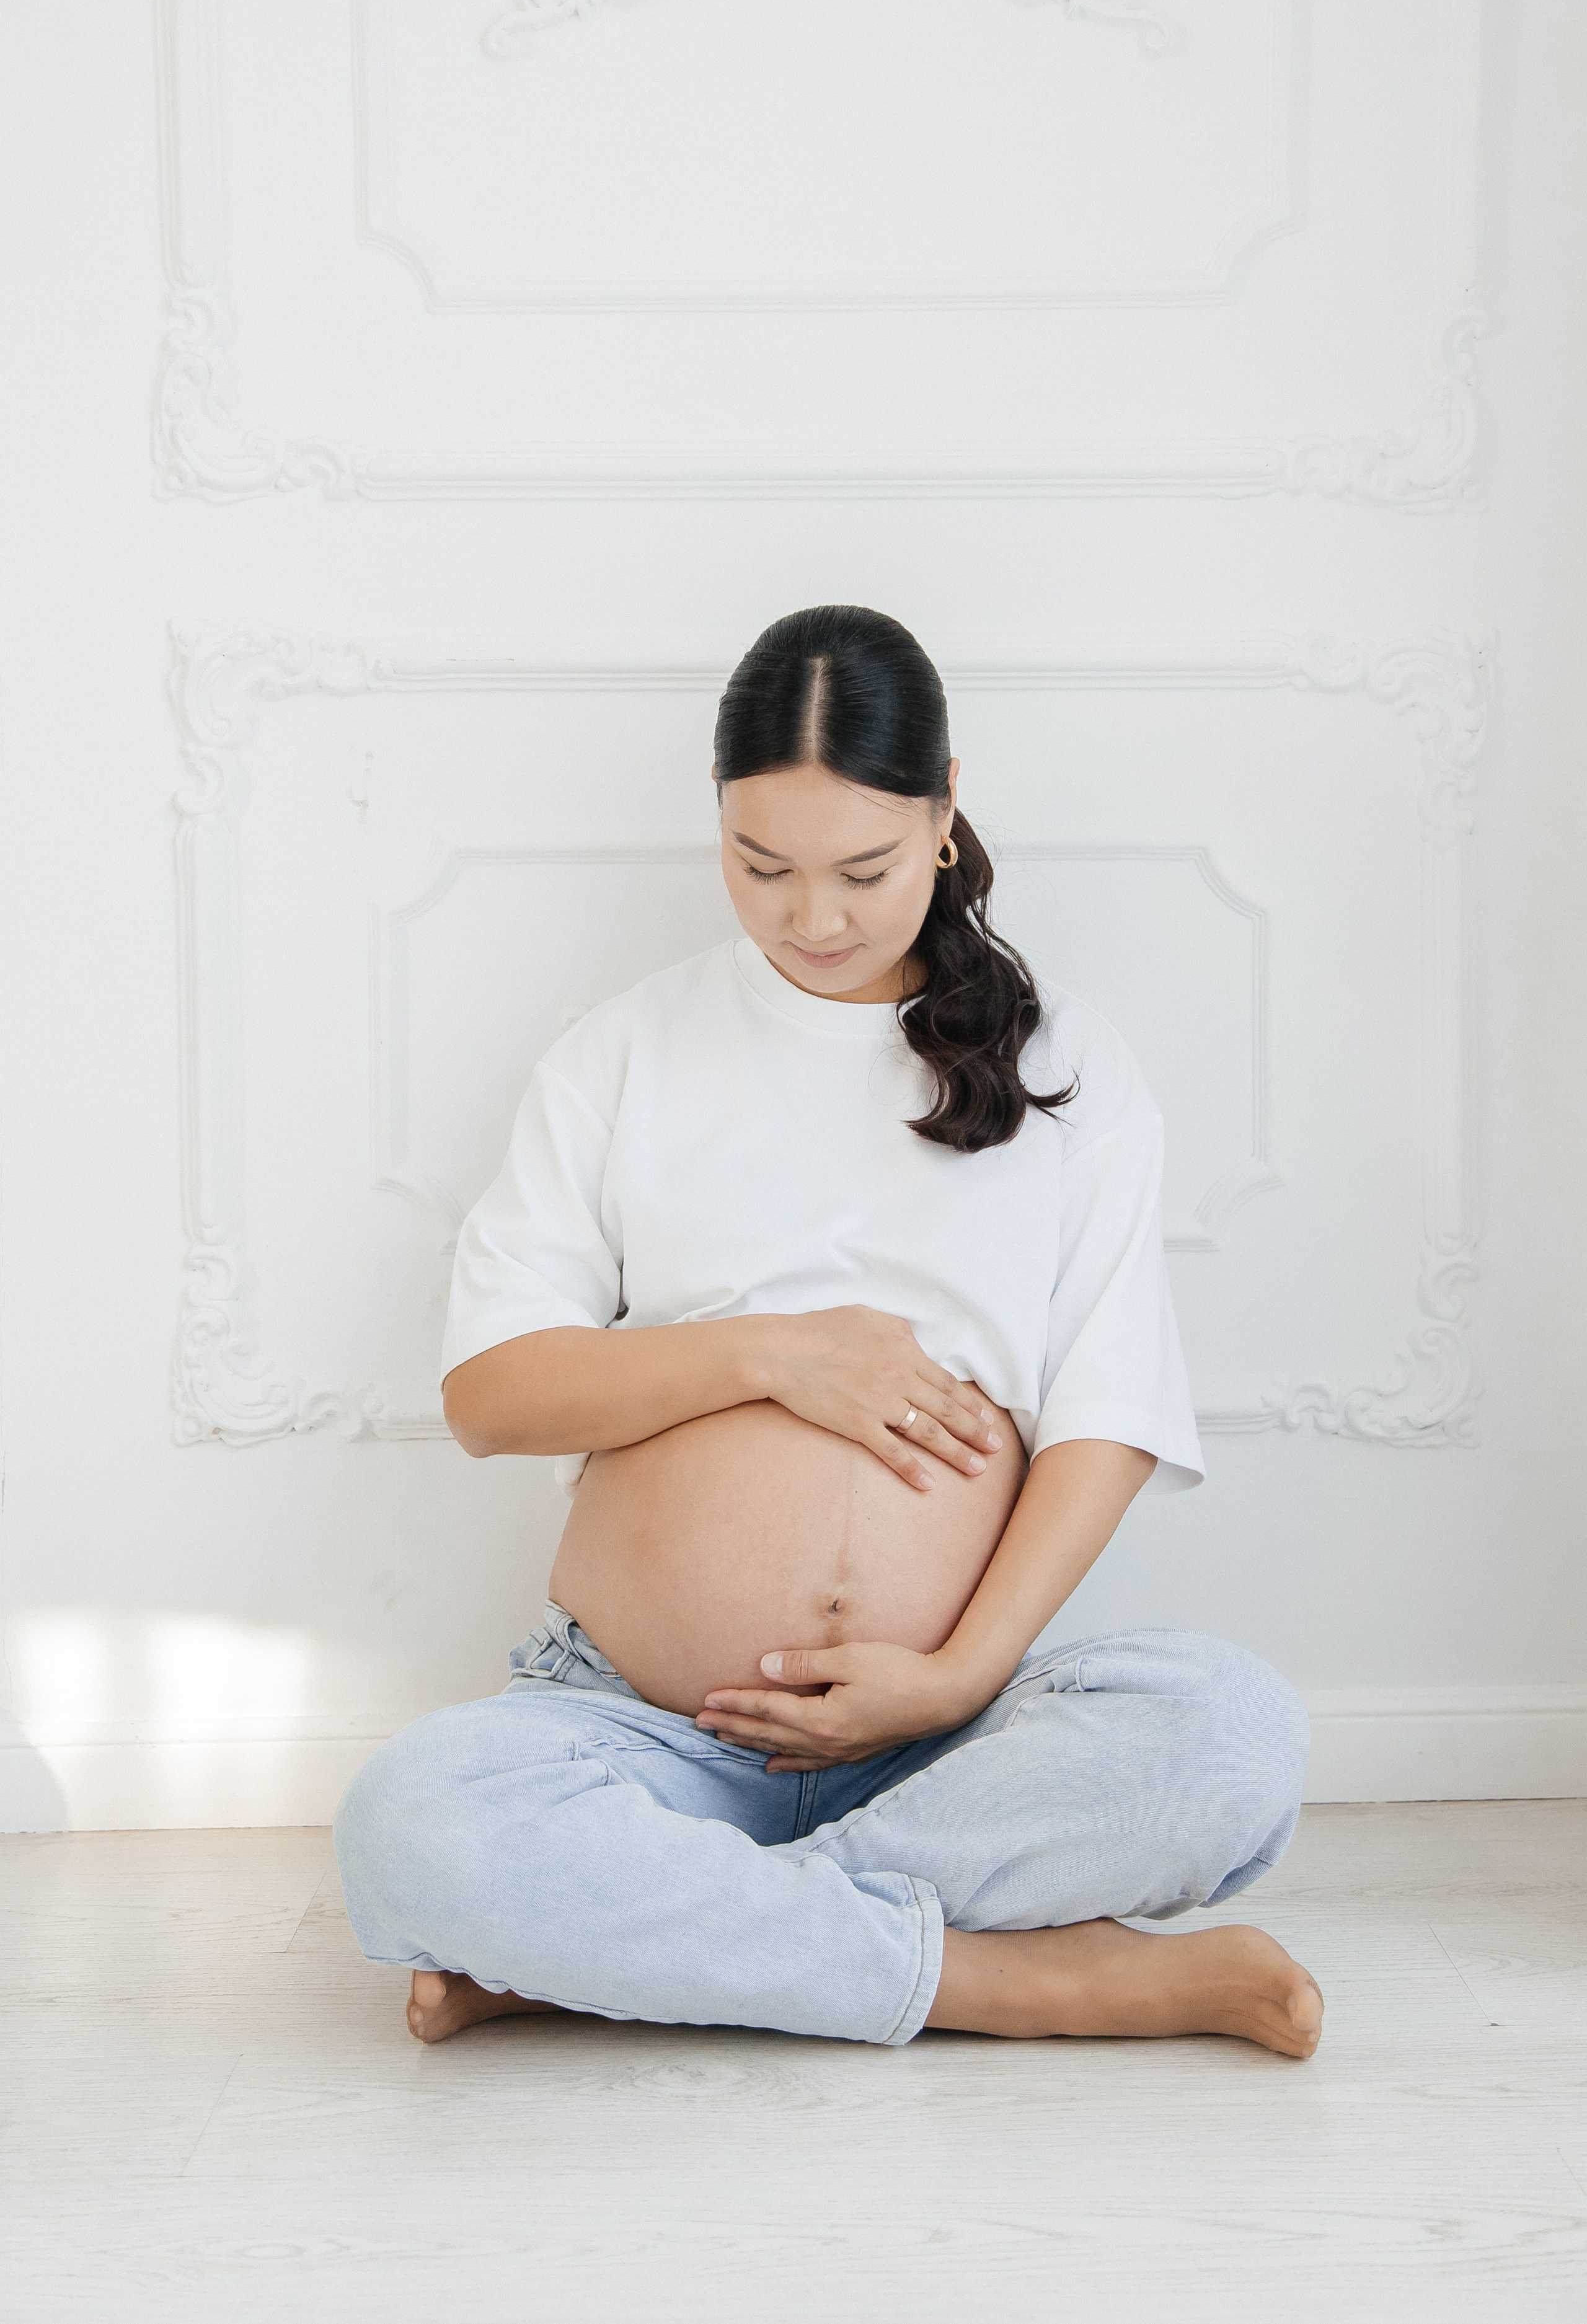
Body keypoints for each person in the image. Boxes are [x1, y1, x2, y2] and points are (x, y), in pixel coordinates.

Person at [334, 604, 1322, 2059]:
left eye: (861, 868)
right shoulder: (624, 1051)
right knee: (411, 1821)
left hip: (948, 1744)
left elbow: (1106, 1411)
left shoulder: (1063, 1063)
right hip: (648, 1731)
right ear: (718, 828)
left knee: (1230, 1735)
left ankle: (624, 1947)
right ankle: (1016, 1981)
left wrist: (962, 1673)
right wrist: (772, 1352)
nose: (811, 917)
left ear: (941, 816)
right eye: (759, 864)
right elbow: (492, 1389)